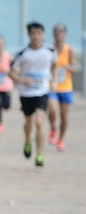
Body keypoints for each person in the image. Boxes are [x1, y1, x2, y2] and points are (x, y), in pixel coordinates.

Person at [9, 22, 58, 167]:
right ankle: (28, 140)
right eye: (33, 33)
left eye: (39, 33)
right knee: (29, 123)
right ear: (29, 35)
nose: (36, 36)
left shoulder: (50, 50)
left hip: (42, 91)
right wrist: (22, 80)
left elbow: (55, 66)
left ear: (43, 34)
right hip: (26, 93)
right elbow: (11, 72)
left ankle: (40, 154)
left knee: (39, 122)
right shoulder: (22, 52)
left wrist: (54, 81)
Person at [48, 23, 75, 151]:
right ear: (53, 34)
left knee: (64, 116)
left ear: (65, 34)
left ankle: (61, 139)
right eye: (56, 31)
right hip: (52, 86)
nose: (58, 33)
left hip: (66, 87)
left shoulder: (69, 50)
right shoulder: (49, 48)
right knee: (52, 110)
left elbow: (74, 67)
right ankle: (53, 127)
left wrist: (68, 67)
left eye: (61, 31)